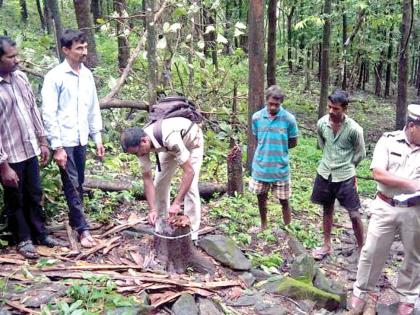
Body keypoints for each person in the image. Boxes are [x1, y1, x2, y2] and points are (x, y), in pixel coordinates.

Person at [347, 104, 420, 315]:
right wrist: (411, 184)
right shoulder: (388, 141)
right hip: (386, 204)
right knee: (372, 251)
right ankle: (361, 293)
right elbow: (378, 173)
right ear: (412, 126)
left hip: (414, 210)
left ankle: (408, 298)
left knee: (414, 255)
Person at [0, 36, 65, 258]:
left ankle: (40, 233)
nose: (16, 60)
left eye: (16, 55)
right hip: (10, 155)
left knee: (34, 193)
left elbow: (33, 111)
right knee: (15, 198)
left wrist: (43, 140)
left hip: (29, 149)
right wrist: (3, 165)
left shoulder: (20, 78)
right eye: (11, 57)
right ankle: (23, 239)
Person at [41, 29, 104, 248]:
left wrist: (97, 137)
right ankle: (82, 229)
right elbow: (49, 113)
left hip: (82, 138)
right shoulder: (54, 77)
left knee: (80, 182)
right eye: (79, 48)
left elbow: (93, 107)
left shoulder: (87, 75)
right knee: (72, 183)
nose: (84, 52)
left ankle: (75, 218)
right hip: (65, 140)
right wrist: (57, 147)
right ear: (66, 50)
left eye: (85, 47)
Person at [120, 117, 204, 241]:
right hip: (166, 147)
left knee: (190, 186)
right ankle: (162, 223)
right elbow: (147, 179)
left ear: (144, 141)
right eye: (134, 154)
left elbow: (189, 172)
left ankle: (191, 233)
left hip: (191, 141)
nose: (138, 155)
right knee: (159, 183)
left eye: (137, 152)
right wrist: (152, 209)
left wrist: (176, 203)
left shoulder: (169, 138)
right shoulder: (140, 148)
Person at [311, 89, 366, 260]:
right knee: (327, 208)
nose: (331, 111)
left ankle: (362, 248)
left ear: (345, 109)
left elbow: (360, 153)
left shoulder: (354, 129)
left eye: (336, 109)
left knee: (354, 213)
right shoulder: (322, 124)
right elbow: (321, 143)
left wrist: (349, 166)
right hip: (325, 173)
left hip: (345, 176)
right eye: (329, 107)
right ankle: (326, 245)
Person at [249, 85, 298, 230]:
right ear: (266, 101)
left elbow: (293, 142)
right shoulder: (257, 117)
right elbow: (258, 138)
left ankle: (288, 228)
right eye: (270, 103)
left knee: (284, 200)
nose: (273, 107)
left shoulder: (289, 119)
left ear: (281, 103)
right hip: (261, 167)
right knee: (261, 198)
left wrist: (280, 150)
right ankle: (263, 225)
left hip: (280, 168)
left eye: (276, 104)